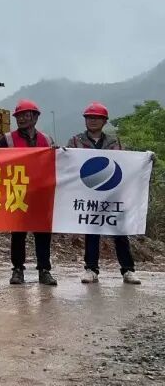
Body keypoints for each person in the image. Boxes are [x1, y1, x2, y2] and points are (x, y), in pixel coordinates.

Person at [68, 102, 141, 285]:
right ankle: (91, 269)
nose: (92, 121)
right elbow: (65, 163)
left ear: (104, 121)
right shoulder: (75, 141)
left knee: (120, 231)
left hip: (112, 194)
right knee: (91, 231)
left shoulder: (115, 143)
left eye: (97, 118)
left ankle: (128, 270)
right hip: (88, 194)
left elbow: (128, 164)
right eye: (89, 117)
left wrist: (146, 160)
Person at [0, 99, 57, 286]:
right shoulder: (8, 139)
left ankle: (44, 270)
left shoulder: (47, 140)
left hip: (41, 193)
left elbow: (56, 162)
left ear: (35, 117)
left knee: (43, 233)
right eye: (19, 116)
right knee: (18, 233)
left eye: (26, 115)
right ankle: (18, 270)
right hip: (18, 192)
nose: (22, 119)